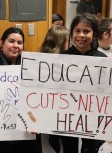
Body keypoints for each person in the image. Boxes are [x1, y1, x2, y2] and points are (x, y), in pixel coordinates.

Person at [62, 13, 106, 153]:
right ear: (72, 33)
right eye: (77, 31)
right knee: (69, 147)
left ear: (94, 34)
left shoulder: (103, 60)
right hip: (66, 115)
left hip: (93, 115)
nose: (81, 35)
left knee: (91, 147)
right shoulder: (61, 58)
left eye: (86, 31)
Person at [39, 25, 69, 153]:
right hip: (54, 115)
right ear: (62, 42)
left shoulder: (38, 61)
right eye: (68, 40)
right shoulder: (67, 63)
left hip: (45, 117)